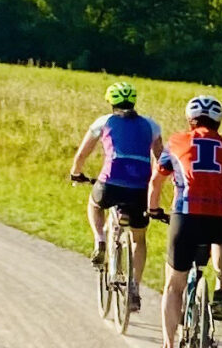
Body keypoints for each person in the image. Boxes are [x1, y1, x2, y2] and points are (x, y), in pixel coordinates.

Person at [149, 95, 222, 348]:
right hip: (221, 217)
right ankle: (221, 288)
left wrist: (154, 209)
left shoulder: (175, 143)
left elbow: (156, 180)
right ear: (219, 121)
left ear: (190, 119)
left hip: (185, 217)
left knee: (174, 285)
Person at [67, 83, 164, 307]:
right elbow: (161, 160)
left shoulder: (103, 122)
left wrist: (76, 174)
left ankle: (100, 239)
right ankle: (134, 289)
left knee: (94, 203)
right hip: (140, 188)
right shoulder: (151, 125)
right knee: (139, 239)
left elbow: (82, 154)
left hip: (109, 183)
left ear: (111, 102)